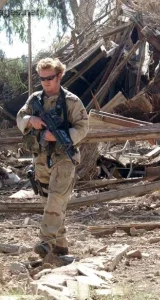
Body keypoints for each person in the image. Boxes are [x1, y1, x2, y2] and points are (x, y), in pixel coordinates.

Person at [17, 58, 88, 257]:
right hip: (41, 158)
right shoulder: (34, 101)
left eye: (50, 77)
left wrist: (60, 136)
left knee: (56, 199)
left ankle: (46, 241)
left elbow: (83, 128)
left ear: (60, 76)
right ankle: (61, 247)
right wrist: (31, 120)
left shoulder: (72, 102)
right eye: (42, 78)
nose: (46, 82)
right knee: (49, 202)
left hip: (65, 156)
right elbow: (19, 118)